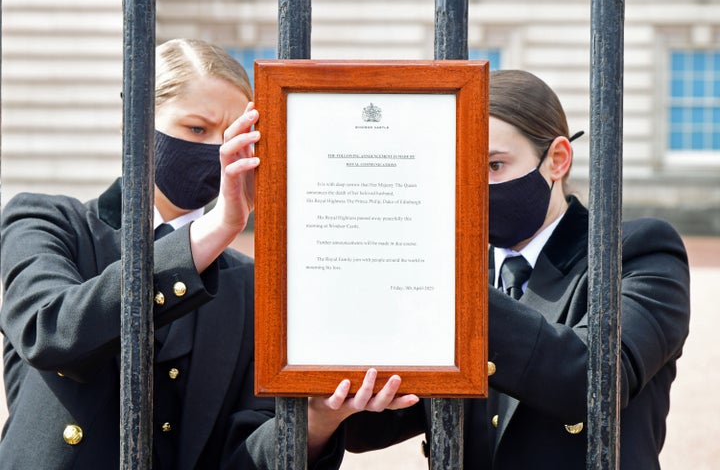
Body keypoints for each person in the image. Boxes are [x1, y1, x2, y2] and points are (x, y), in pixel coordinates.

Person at [0, 38, 417, 469]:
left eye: (233, 136)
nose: (219, 152)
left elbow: (243, 456)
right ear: (137, 121)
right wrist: (217, 230)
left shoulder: (250, 283)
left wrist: (315, 420)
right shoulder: (49, 220)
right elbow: (48, 332)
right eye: (196, 129)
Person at [337, 69, 691, 469]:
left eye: (493, 165)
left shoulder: (636, 251)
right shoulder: (452, 270)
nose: (473, 186)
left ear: (557, 160)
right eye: (459, 169)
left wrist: (448, 287)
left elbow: (595, 381)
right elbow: (374, 426)